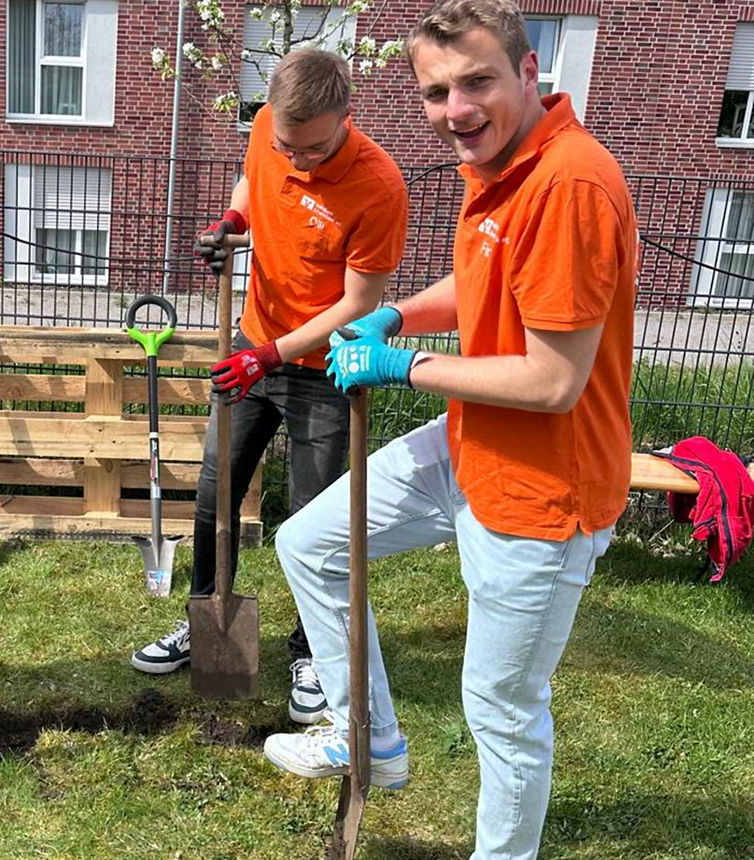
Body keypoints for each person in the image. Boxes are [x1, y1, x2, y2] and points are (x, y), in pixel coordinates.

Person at [262, 2, 639, 857]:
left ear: (529, 73)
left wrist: (402, 368)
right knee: (311, 544)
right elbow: (483, 287)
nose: (456, 109)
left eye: (477, 81)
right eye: (437, 91)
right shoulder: (506, 166)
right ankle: (373, 738)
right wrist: (395, 313)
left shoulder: (569, 185)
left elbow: (552, 381)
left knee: (501, 709)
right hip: (472, 447)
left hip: (543, 493)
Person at [130, 49, 409, 724]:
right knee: (213, 493)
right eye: (287, 144)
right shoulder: (268, 135)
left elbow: (357, 306)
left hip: (326, 371)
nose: (297, 159)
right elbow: (252, 183)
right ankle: (205, 621)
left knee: (316, 524)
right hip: (251, 345)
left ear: (346, 117)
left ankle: (312, 650)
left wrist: (272, 356)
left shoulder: (379, 186)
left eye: (312, 149)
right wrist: (233, 223)